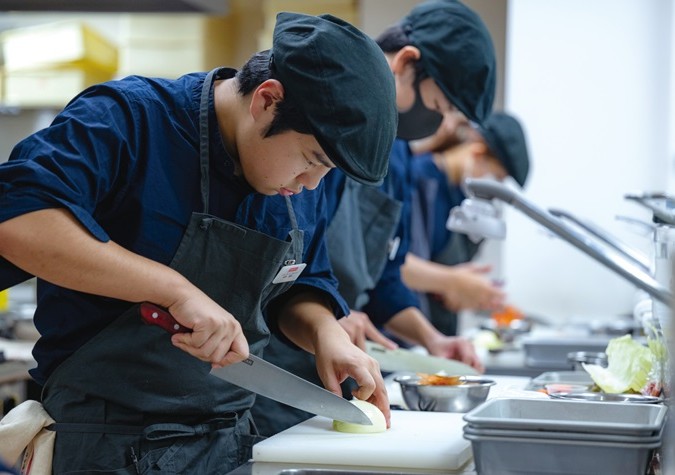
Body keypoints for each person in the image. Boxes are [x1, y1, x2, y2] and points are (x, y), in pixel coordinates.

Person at [0, 13, 398, 473]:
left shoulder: (294, 184)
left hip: (232, 446)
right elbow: (17, 218)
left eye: (326, 172)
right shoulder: (129, 119)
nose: (311, 184)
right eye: (312, 161)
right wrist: (175, 290)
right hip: (105, 449)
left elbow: (302, 283)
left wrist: (327, 334)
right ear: (267, 101)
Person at [252, 0, 496, 437]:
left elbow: (385, 273)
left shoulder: (396, 156)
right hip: (283, 355)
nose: (441, 125)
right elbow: (279, 260)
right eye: (439, 105)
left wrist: (431, 340)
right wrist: (328, 317)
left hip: (336, 352)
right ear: (407, 62)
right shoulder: (313, 126)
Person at [403, 111, 531, 336]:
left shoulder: (462, 198)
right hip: (401, 330)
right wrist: (452, 283)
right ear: (478, 153)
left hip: (438, 330)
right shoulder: (418, 178)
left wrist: (462, 289)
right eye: (497, 177)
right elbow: (392, 263)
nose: (494, 185)